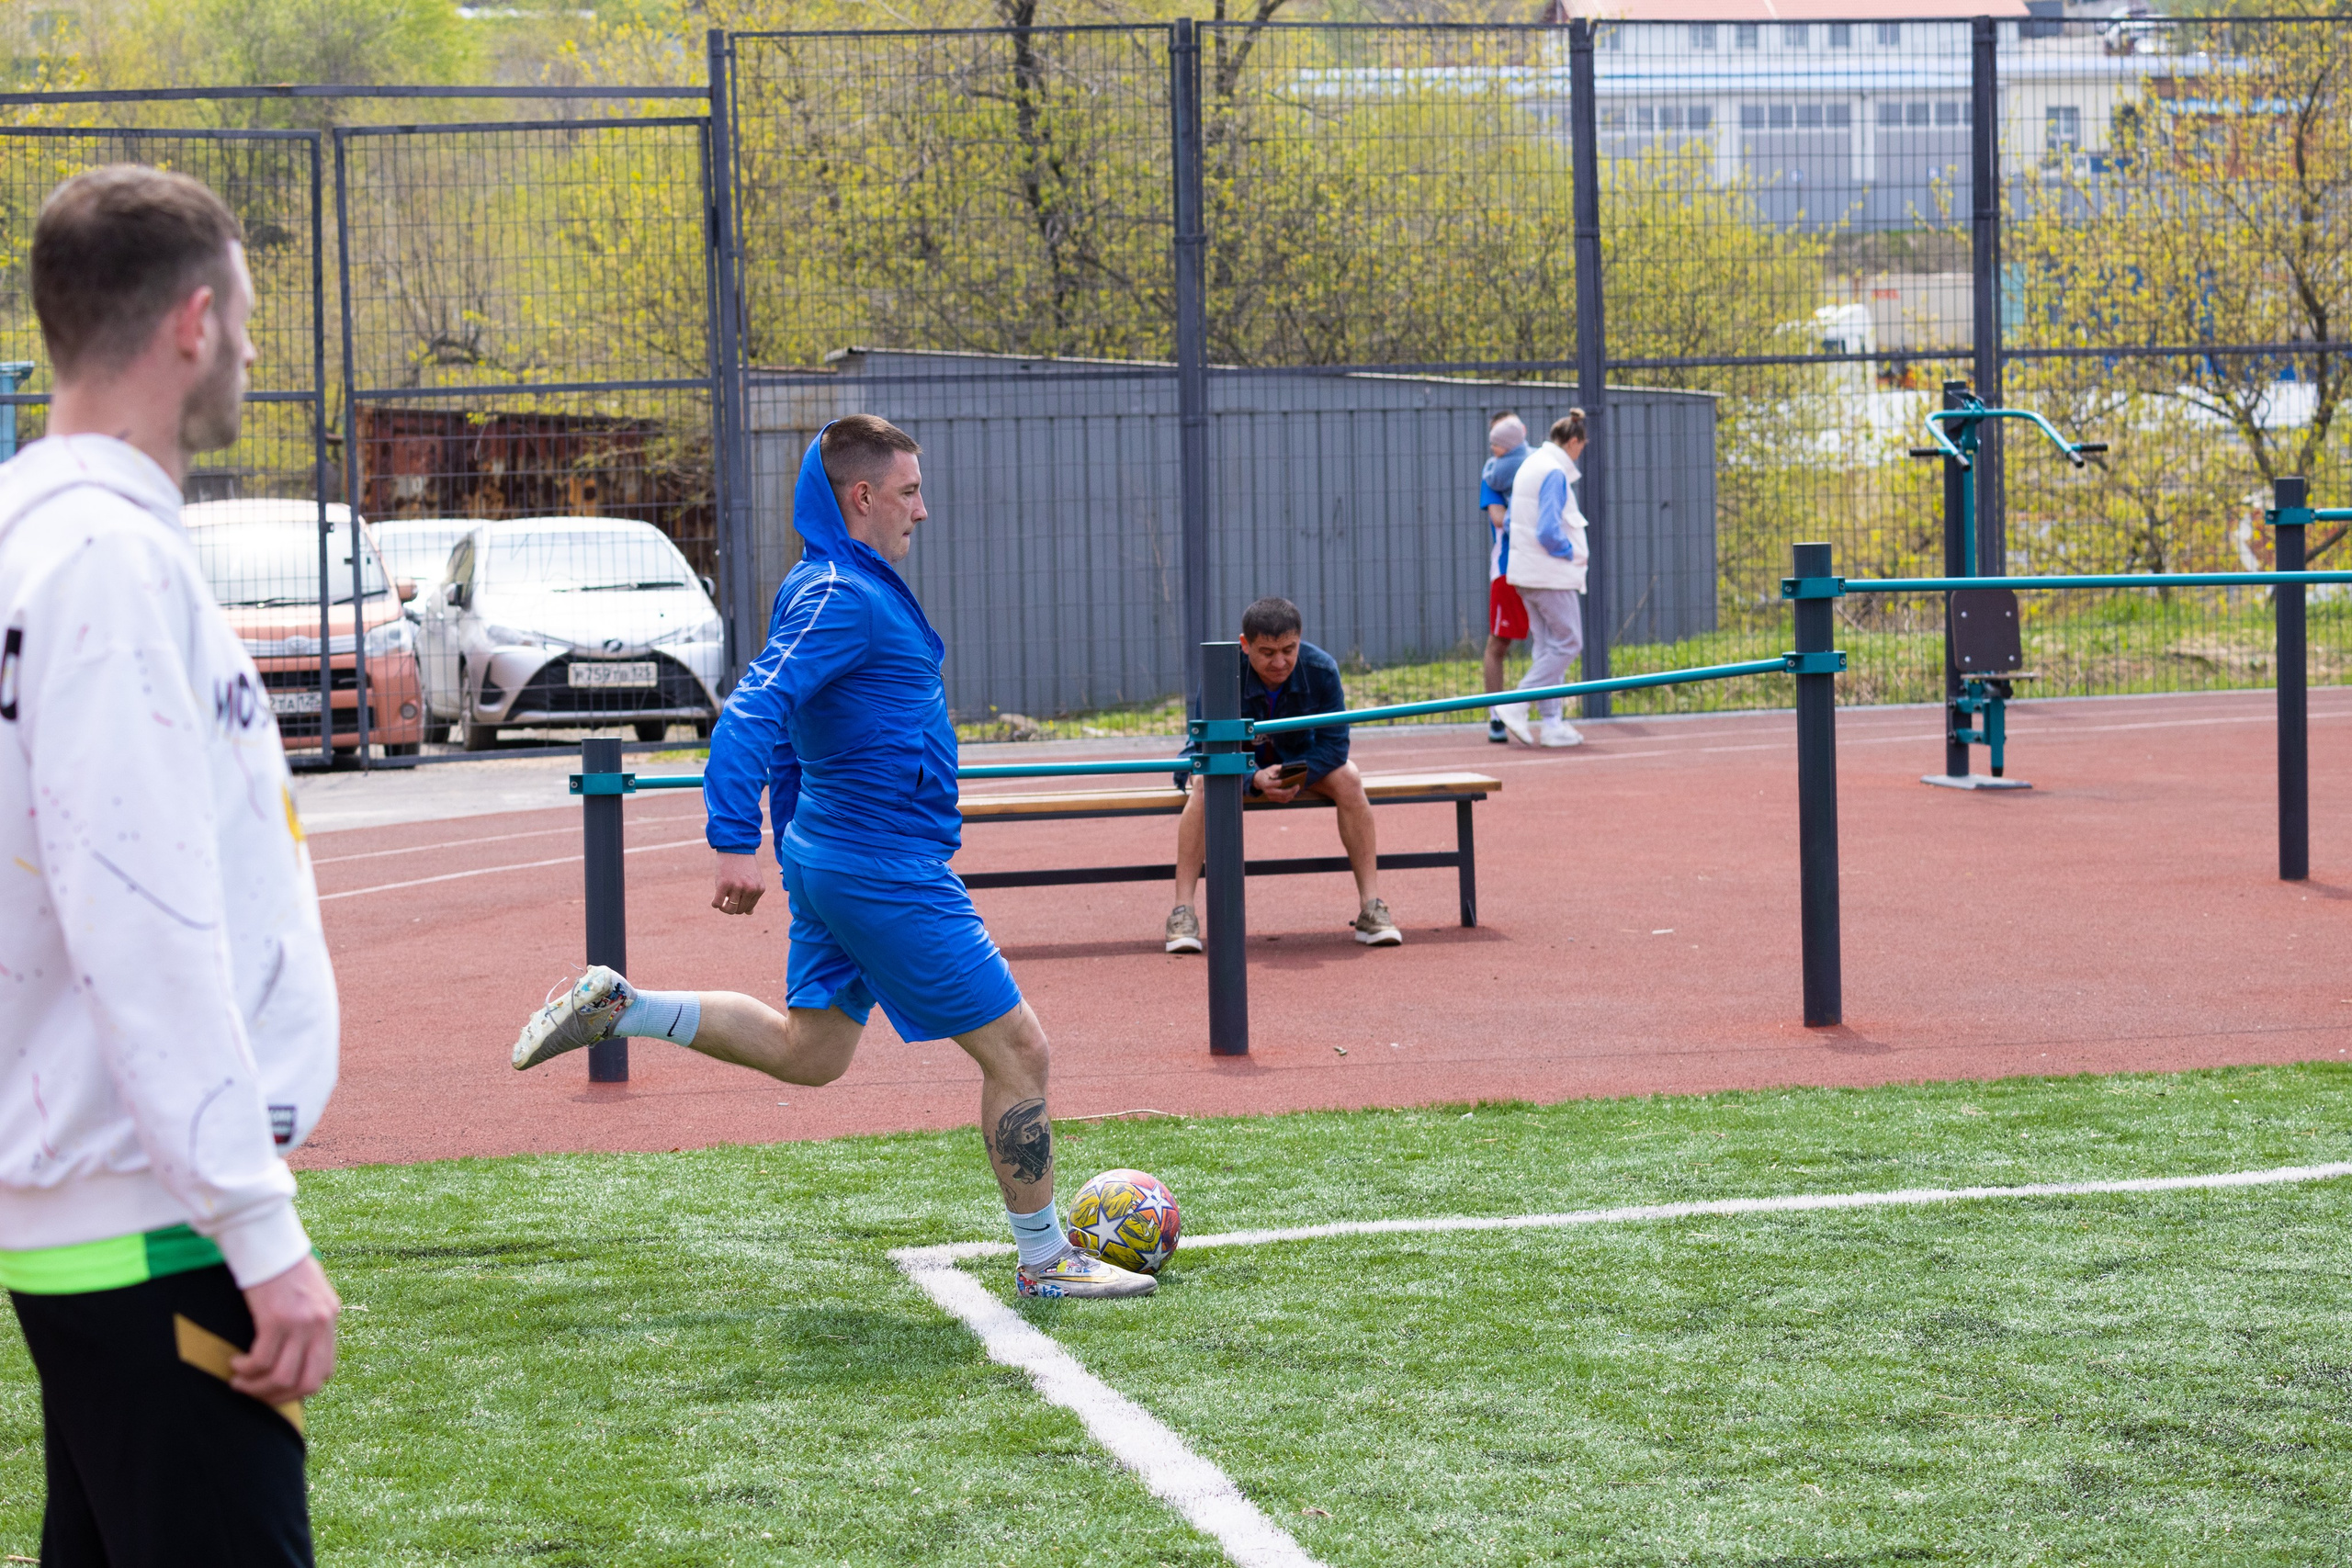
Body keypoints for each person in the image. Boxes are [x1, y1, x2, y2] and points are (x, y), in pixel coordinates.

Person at [508, 415, 1153, 1301]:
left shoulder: (836, 585)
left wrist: (786, 839)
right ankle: (1046, 1261)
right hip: (879, 866)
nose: (922, 509)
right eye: (910, 492)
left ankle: (624, 1005)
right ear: (862, 495)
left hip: (843, 856)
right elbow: (755, 709)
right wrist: (735, 839)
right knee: (1021, 1050)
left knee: (811, 1053)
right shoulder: (840, 593)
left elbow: (795, 729)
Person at [0, 165, 342, 1567]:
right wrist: (257, 1228)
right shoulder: (103, 562)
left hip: (97, 1210)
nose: (251, 348)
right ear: (194, 320)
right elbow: (137, 914)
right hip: (156, 1222)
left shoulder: (40, 537)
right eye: (244, 314)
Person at [1162, 596, 1399, 953]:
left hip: (1297, 760)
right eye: (1267, 652)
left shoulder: (1322, 669)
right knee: (1204, 784)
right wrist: (1254, 778)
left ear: (1300, 640)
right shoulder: (1222, 672)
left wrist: (1294, 775)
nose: (1280, 662)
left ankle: (1372, 907)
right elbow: (1207, 748)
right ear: (1245, 645)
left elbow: (1335, 747)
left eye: (1289, 650)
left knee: (1349, 777)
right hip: (1230, 761)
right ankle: (1183, 913)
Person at [1493, 411, 1590, 749]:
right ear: (1573, 442)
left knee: (1548, 648)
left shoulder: (1532, 464)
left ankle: (1552, 723)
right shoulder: (1553, 471)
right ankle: (1516, 703)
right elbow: (1549, 531)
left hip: (1526, 572)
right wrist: (1571, 552)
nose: (1579, 454)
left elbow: (1516, 521)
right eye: (1581, 447)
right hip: (1550, 575)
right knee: (1568, 643)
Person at [1478, 412, 1533, 744]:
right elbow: (1499, 518)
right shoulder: (1493, 476)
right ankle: (1497, 716)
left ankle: (1550, 716)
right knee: (1498, 642)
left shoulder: (1536, 466)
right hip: (1508, 570)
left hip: (1542, 567)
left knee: (1553, 643)